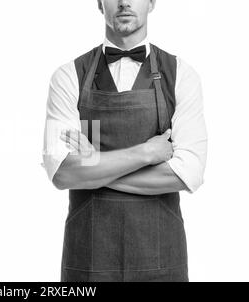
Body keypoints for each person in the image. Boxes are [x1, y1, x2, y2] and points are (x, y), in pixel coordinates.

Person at [41, 0, 208, 282]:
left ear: (152, 2)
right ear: (99, 3)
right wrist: (147, 153)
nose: (124, 2)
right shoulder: (67, 77)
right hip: (88, 258)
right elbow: (62, 173)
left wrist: (94, 169)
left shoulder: (182, 74)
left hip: (161, 260)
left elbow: (187, 173)